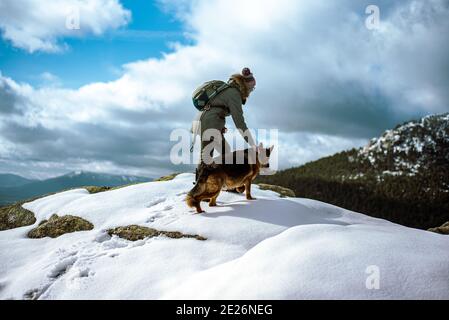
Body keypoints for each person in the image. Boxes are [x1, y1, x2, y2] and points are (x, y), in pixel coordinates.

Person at [194, 67, 257, 181]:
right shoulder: (234, 94)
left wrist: (220, 126)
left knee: (226, 152)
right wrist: (252, 143)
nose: (252, 91)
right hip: (209, 123)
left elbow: (217, 108)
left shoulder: (230, 89)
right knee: (207, 156)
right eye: (252, 88)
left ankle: (228, 182)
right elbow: (240, 123)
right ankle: (199, 188)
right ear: (246, 85)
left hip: (209, 121)